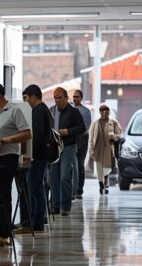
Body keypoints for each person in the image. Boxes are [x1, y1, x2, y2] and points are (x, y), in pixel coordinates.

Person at [0, 82, 31, 246]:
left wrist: (6, 140)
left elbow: (27, 133)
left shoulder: (13, 111)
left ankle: (3, 232)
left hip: (6, 157)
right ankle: (0, 232)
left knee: (3, 194)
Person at [50, 87, 86, 216]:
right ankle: (55, 205)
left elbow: (82, 128)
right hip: (54, 147)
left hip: (68, 146)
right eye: (55, 98)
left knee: (65, 175)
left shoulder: (74, 112)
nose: (57, 100)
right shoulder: (52, 111)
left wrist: (67, 131)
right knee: (53, 177)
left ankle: (66, 206)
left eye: (60, 97)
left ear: (66, 98)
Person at [23, 85, 54, 233]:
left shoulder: (37, 110)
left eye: (27, 97)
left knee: (32, 187)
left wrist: (32, 154)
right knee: (39, 187)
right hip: (44, 154)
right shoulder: (45, 110)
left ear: (34, 96)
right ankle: (40, 220)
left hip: (39, 155)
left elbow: (38, 134)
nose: (26, 101)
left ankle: (35, 220)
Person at [88, 104, 122, 195]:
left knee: (107, 167)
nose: (104, 113)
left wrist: (114, 136)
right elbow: (91, 138)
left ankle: (106, 182)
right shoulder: (95, 124)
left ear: (109, 112)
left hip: (108, 148)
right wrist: (91, 150)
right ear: (100, 112)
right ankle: (101, 185)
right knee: (99, 168)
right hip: (98, 148)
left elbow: (119, 135)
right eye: (102, 111)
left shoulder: (114, 123)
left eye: (106, 111)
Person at [72, 89, 92, 199]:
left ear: (81, 98)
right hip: (71, 140)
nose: (75, 99)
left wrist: (78, 134)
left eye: (77, 97)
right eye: (74, 97)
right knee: (71, 165)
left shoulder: (86, 111)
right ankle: (72, 189)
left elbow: (87, 126)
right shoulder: (69, 109)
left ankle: (79, 190)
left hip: (82, 139)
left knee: (79, 164)